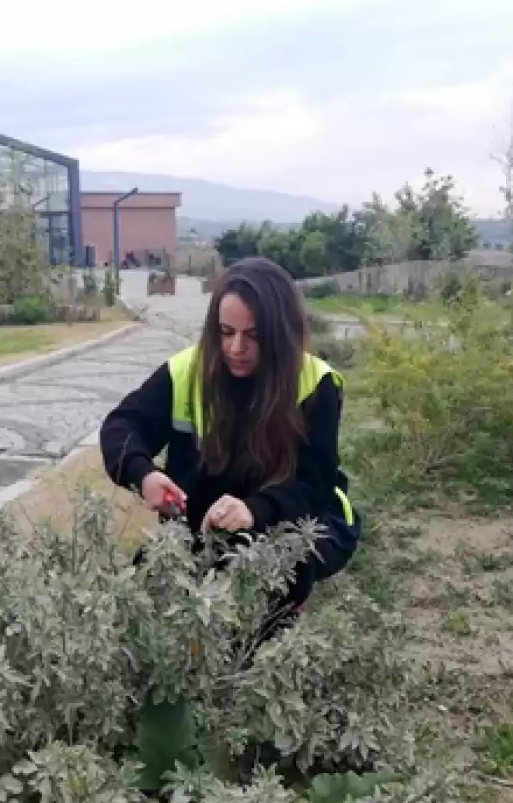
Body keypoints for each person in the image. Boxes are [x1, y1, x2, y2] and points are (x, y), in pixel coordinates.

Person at [100, 256, 360, 631]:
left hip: (293, 517)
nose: (236, 347)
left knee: (274, 585)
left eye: (253, 335)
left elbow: (314, 483)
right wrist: (143, 474)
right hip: (205, 521)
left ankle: (283, 621)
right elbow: (122, 426)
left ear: (280, 333)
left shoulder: (317, 384)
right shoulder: (186, 371)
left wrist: (256, 510)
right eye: (225, 331)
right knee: (146, 597)